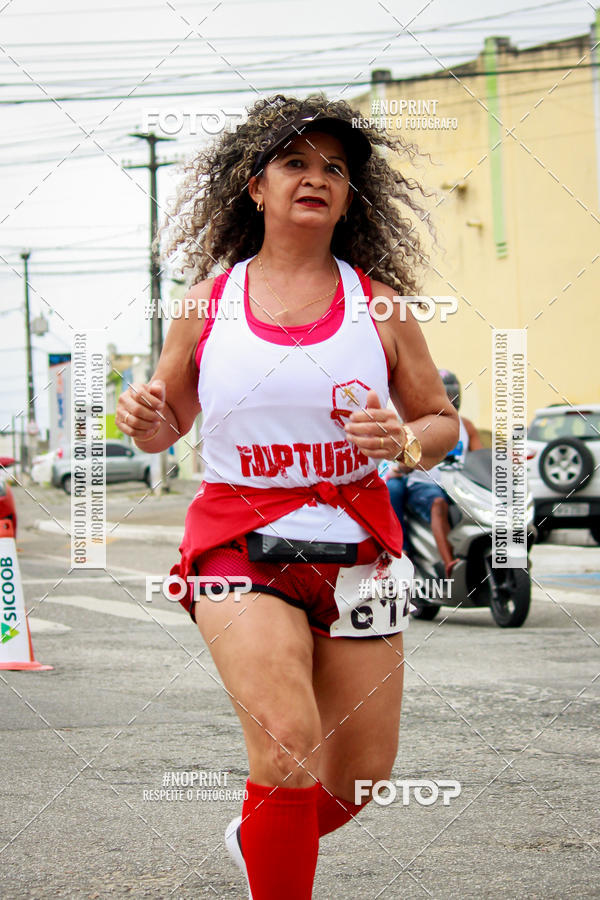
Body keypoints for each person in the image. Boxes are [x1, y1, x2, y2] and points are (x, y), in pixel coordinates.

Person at [116, 94, 459, 900]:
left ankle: (258, 831)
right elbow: (165, 426)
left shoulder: (381, 308)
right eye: (296, 163)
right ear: (256, 189)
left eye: (334, 169)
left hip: (358, 550)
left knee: (360, 781)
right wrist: (143, 417)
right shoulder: (207, 305)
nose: (317, 178)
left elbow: (443, 421)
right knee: (288, 743)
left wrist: (403, 444)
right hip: (239, 544)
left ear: (349, 198)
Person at [387, 370, 483, 576]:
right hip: (424, 486)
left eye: (453, 393)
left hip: (458, 486)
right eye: (446, 394)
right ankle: (450, 564)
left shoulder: (466, 426)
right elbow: (405, 455)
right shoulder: (419, 423)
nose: (451, 398)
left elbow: (480, 457)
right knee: (438, 504)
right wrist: (406, 464)